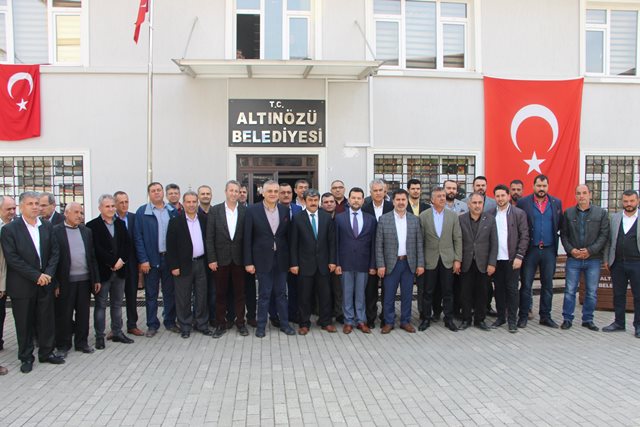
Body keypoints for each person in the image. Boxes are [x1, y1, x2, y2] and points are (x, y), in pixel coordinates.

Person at [1, 191, 64, 373]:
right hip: (22, 285)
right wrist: (36, 275)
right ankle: (26, 357)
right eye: (30, 204)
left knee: (46, 320)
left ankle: (46, 352)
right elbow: (13, 259)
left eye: (37, 203)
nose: (35, 207)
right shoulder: (10, 230)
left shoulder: (46, 226)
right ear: (21, 207)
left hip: (46, 282)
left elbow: (55, 252)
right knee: (24, 323)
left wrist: (48, 274)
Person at [244, 180, 295, 337]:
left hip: (281, 259)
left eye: (275, 191)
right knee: (264, 294)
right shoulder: (252, 210)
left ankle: (285, 324)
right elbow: (247, 238)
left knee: (281, 294)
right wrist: (248, 262)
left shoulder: (284, 210)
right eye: (270, 191)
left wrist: (292, 261)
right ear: (263, 193)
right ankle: (261, 326)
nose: (273, 194)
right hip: (262, 260)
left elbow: (288, 238)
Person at [87, 195, 134, 350]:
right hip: (103, 272)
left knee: (117, 304)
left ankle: (117, 332)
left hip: (120, 271)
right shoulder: (92, 226)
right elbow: (95, 249)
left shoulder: (120, 224)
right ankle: (99, 337)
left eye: (113, 206)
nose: (111, 209)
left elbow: (127, 245)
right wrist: (112, 262)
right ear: (100, 208)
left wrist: (121, 261)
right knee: (101, 305)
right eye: (107, 206)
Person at [53, 202, 101, 355]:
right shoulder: (56, 231)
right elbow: (52, 259)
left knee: (83, 314)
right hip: (65, 281)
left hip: (85, 280)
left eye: (81, 213)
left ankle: (81, 343)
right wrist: (55, 282)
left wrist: (96, 279)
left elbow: (92, 256)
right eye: (76, 212)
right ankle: (63, 345)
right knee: (64, 314)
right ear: (66, 213)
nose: (79, 216)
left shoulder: (86, 231)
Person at [517, 174, 563, 328]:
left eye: (544, 186)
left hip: (549, 250)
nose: (541, 189)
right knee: (526, 285)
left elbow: (559, 224)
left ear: (548, 186)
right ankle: (523, 316)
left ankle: (545, 316)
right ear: (533, 186)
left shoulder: (556, 203)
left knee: (547, 285)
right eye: (539, 186)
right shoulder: (523, 203)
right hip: (531, 250)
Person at [560, 184, 609, 331]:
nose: (581, 196)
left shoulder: (601, 213)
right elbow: (564, 235)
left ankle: (588, 319)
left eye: (584, 193)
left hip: (592, 259)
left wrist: (590, 250)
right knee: (570, 290)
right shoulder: (568, 213)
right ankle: (567, 319)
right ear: (575, 196)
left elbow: (604, 235)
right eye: (578, 193)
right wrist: (571, 250)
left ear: (590, 194)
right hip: (573, 259)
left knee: (591, 292)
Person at [134, 182, 179, 337]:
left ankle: (170, 321)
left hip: (169, 259)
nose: (157, 193)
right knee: (151, 294)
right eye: (153, 191)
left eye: (159, 190)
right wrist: (143, 260)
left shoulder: (172, 211)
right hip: (151, 260)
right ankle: (152, 324)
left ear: (163, 192)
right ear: (149, 194)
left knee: (169, 293)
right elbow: (138, 237)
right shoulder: (142, 212)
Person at [376, 189, 424, 333]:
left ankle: (405, 321)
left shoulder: (415, 220)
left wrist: (420, 264)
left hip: (408, 263)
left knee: (407, 295)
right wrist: (380, 265)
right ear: (393, 201)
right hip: (391, 263)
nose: (401, 202)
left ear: (407, 201)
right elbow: (379, 245)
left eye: (403, 200)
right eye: (398, 200)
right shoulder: (384, 219)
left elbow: (419, 243)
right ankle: (389, 322)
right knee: (389, 295)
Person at [290, 189, 337, 334]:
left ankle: (326, 322)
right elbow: (293, 243)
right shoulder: (297, 218)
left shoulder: (326, 217)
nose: (313, 203)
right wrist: (294, 263)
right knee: (304, 296)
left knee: (325, 295)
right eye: (310, 200)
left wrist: (332, 261)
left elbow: (331, 242)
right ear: (305, 201)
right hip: (304, 264)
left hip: (323, 264)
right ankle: (304, 323)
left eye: (315, 200)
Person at [166, 191, 211, 338]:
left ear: (197, 203)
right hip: (183, 265)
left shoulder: (204, 219)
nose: (191, 205)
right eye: (188, 202)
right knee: (183, 297)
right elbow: (171, 246)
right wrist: (174, 266)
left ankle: (201, 323)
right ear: (183, 203)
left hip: (201, 263)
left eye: (194, 202)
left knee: (201, 295)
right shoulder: (175, 222)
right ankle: (185, 325)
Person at [207, 180, 249, 338]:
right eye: (231, 190)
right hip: (220, 260)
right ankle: (220, 324)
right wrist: (212, 259)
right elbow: (209, 238)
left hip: (239, 260)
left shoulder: (245, 211)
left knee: (240, 294)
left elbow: (248, 238)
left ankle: (240, 323)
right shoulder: (215, 210)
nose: (234, 193)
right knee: (220, 294)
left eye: (236, 191)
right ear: (225, 192)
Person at [419, 186, 462, 332]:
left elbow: (457, 238)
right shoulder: (424, 216)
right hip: (429, 260)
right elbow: (420, 241)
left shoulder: (453, 216)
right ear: (432, 200)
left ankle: (448, 319)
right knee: (428, 291)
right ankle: (426, 318)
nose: (442, 198)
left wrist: (457, 259)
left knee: (448, 291)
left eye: (443, 196)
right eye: (439, 196)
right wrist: (420, 262)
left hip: (447, 260)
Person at [334, 187, 377, 334]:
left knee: (361, 294)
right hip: (345, 263)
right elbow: (336, 242)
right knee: (346, 293)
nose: (356, 201)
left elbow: (373, 244)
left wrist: (373, 264)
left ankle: (361, 320)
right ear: (349, 199)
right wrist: (337, 263)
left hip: (364, 263)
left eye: (359, 198)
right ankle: (348, 321)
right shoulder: (339, 218)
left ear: (363, 200)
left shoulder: (370, 219)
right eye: (353, 198)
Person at [603, 190, 640, 338]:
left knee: (638, 295)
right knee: (618, 294)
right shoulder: (615, 218)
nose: (628, 204)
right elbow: (609, 240)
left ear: (637, 201)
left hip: (637, 263)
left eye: (631, 201)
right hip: (617, 263)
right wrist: (607, 259)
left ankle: (638, 325)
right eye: (625, 201)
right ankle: (619, 322)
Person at [491, 185, 528, 333]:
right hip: (496, 260)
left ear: (508, 196)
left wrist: (519, 256)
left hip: (512, 259)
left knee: (512, 290)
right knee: (498, 290)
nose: (500, 199)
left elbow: (524, 236)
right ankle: (501, 317)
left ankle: (512, 320)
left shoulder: (519, 213)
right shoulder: (490, 214)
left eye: (503, 195)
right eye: (497, 196)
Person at [458, 193, 497, 331]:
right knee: (465, 293)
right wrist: (457, 260)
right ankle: (466, 319)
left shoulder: (490, 219)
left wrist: (492, 263)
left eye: (480, 203)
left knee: (483, 293)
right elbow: (457, 241)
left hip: (483, 263)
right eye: (474, 203)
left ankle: (480, 320)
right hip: (466, 262)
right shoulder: (461, 219)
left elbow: (494, 243)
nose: (477, 205)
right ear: (469, 204)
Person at [362, 179, 393, 328]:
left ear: (385, 191)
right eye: (375, 190)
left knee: (388, 290)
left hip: (389, 255)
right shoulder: (364, 208)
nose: (378, 193)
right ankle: (370, 318)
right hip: (370, 255)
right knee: (370, 290)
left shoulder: (392, 207)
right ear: (371, 192)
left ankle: (386, 318)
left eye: (381, 190)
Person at [114, 191, 144, 336]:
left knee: (132, 296)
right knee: (116, 298)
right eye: (121, 202)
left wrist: (140, 262)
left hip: (131, 263)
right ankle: (116, 327)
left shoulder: (133, 218)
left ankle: (132, 325)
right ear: (115, 204)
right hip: (115, 264)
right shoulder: (111, 219)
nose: (124, 205)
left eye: (126, 202)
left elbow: (138, 239)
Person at [275, 183, 302, 325]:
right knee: (277, 289)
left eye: (289, 192)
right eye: (283, 192)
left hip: (295, 256)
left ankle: (292, 314)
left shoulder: (298, 209)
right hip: (277, 255)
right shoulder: (273, 209)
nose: (286, 195)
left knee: (294, 288)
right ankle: (275, 315)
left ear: (293, 194)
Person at [0, 195, 16, 375]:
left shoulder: (15, 227)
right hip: (1, 281)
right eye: (8, 209)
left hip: (13, 280)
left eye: (14, 208)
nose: (12, 212)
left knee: (2, 314)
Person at [322, 192, 343, 322]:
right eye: (326, 202)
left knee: (338, 289)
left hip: (338, 259)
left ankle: (339, 313)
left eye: (331, 202)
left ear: (335, 203)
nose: (329, 204)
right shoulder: (319, 217)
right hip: (322, 259)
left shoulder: (341, 217)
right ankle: (325, 314)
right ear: (321, 204)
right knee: (324, 290)